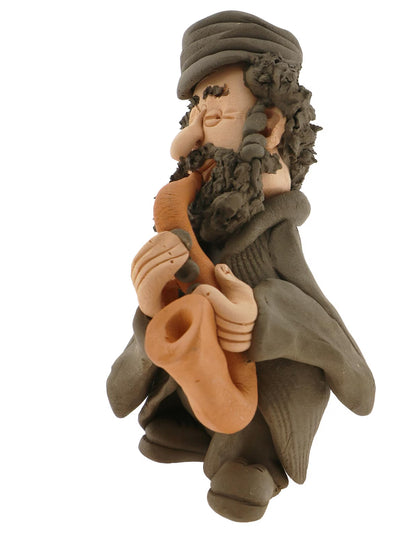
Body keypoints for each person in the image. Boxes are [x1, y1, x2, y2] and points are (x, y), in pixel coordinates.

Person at [107, 10, 375, 522]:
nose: (193, 131)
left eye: (214, 108)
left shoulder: (276, 239)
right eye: (193, 111)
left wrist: (263, 314)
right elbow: (118, 389)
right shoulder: (193, 225)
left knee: (281, 371)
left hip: (260, 400)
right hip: (204, 391)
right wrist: (152, 306)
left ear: (270, 125)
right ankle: (190, 420)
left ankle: (254, 460)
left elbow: (357, 384)